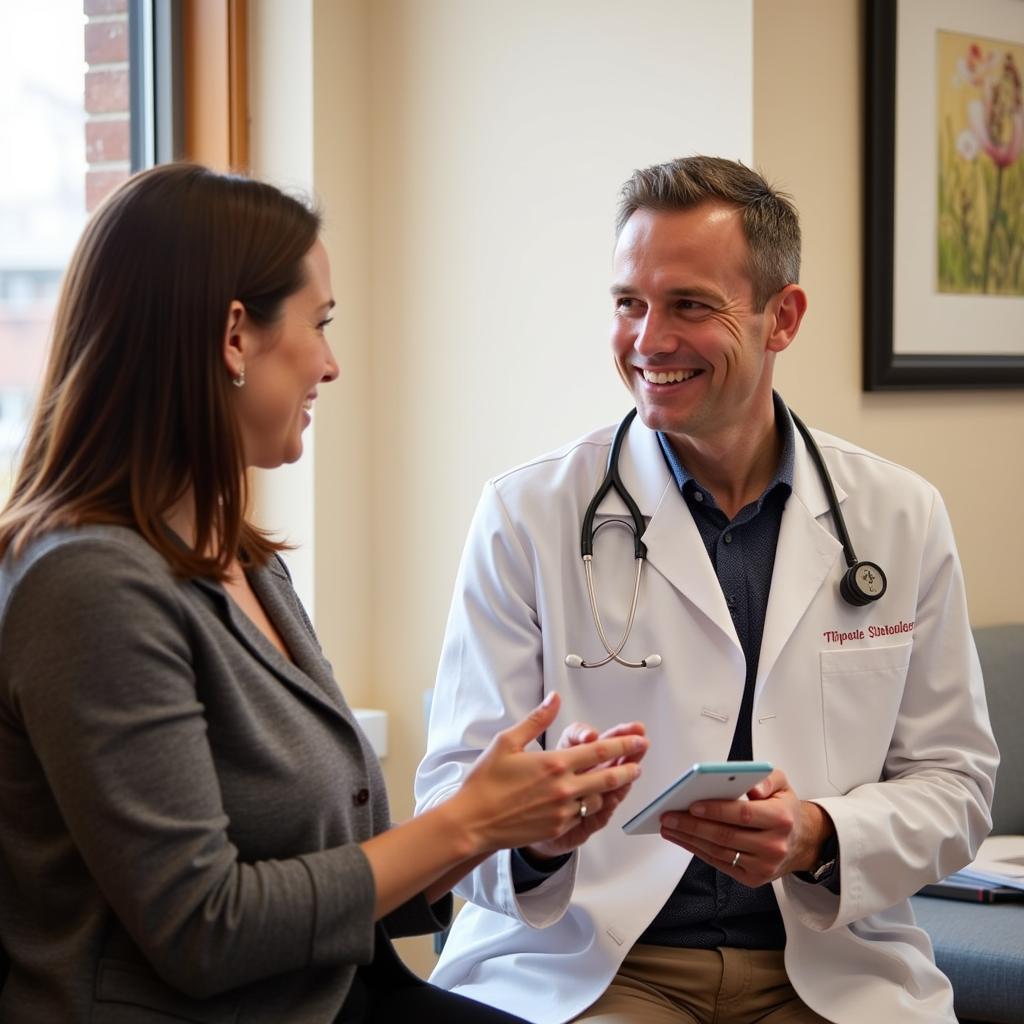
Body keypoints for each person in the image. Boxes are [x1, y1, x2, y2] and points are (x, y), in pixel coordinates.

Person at [0, 163, 650, 1024]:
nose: (333, 364)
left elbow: (343, 864)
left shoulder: (244, 562)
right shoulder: (86, 588)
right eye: (321, 323)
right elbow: (205, 930)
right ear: (236, 336)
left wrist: (510, 827)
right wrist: (467, 825)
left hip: (339, 997)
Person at [415, 156, 999, 1024]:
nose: (649, 340)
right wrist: (535, 836)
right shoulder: (526, 513)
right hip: (598, 967)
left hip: (829, 971)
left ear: (783, 317)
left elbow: (956, 780)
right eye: (628, 304)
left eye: (690, 305)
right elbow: (452, 795)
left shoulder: (897, 515)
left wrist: (819, 835)